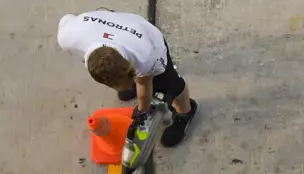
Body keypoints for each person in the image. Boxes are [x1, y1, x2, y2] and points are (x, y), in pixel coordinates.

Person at [57, 10, 198, 148]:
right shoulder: (68, 36)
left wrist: (142, 111)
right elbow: (68, 17)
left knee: (170, 83)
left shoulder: (146, 56)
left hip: (146, 36)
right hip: (119, 30)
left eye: (131, 78)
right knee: (135, 88)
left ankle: (186, 112)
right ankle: (131, 85)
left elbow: (144, 83)